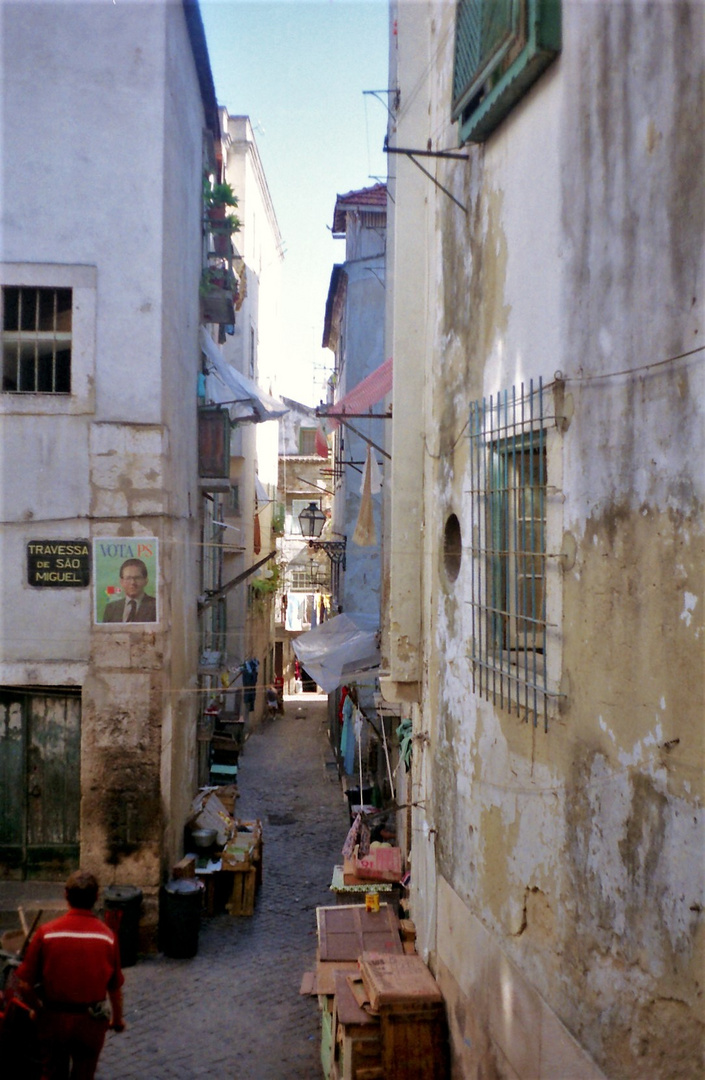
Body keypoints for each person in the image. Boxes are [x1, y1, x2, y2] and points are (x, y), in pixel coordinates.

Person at [15, 870, 125, 1080]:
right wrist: (117, 1020)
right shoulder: (107, 937)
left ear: (66, 896)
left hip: (54, 1019)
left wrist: (39, 1011)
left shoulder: (46, 933)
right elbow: (115, 988)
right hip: (90, 1023)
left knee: (52, 1072)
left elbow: (24, 985)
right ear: (95, 898)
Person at [102, 558, 157, 622]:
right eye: (128, 578)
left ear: (146, 581)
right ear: (121, 582)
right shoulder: (110, 609)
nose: (133, 582)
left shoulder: (156, 606)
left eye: (137, 578)